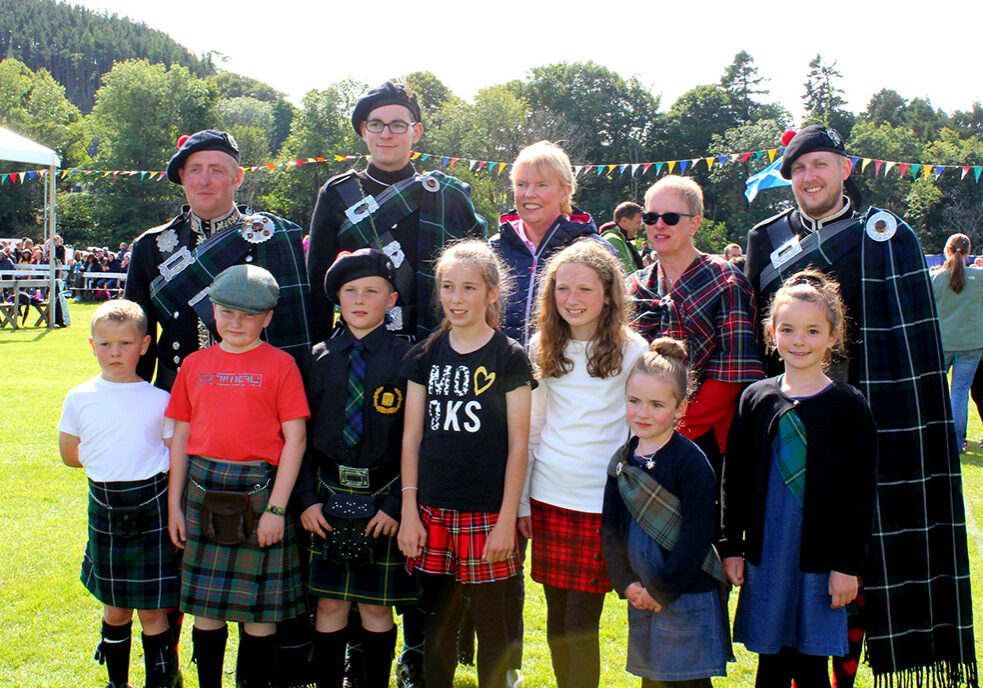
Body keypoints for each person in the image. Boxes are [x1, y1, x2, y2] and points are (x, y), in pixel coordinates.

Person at [744, 125, 977, 687]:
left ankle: (845, 675)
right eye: (798, 169)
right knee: (790, 564)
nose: (810, 177)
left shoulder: (884, 235)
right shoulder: (765, 236)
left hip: (867, 426)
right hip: (789, 429)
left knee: (857, 569)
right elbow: (759, 340)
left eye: (820, 165)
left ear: (845, 168)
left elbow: (914, 341)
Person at [721, 270, 877, 688]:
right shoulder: (755, 399)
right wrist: (732, 547)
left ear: (832, 336)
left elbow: (860, 496)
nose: (799, 341)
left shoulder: (848, 406)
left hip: (821, 562)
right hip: (768, 556)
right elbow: (732, 482)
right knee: (770, 663)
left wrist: (847, 566)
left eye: (812, 331)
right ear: (772, 333)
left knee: (810, 665)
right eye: (788, 330)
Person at [397, 239, 534, 688]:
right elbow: (412, 436)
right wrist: (409, 513)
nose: (456, 299)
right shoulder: (424, 354)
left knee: (492, 623)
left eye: (469, 288)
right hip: (431, 510)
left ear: (492, 293)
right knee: (436, 623)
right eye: (448, 287)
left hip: (487, 514)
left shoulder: (510, 356)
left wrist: (506, 521)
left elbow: (518, 445)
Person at [165, 265, 310, 688]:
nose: (237, 323)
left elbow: (295, 441)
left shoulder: (281, 365)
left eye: (250, 315)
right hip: (200, 491)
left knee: (259, 617)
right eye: (228, 312)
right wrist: (174, 506)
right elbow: (180, 438)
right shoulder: (194, 364)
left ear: (267, 318)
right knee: (206, 613)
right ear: (212, 311)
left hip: (260, 493)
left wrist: (277, 511)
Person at [519, 240, 647, 688]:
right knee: (556, 623)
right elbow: (531, 430)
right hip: (548, 498)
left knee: (580, 622)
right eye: (562, 289)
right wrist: (520, 503)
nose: (572, 300)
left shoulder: (633, 351)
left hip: (601, 503)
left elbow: (640, 433)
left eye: (585, 290)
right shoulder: (541, 345)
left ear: (609, 294)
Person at [295, 249, 417, 688]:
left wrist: (394, 505)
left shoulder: (409, 359)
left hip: (382, 498)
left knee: (376, 608)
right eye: (350, 291)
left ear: (392, 299)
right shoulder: (315, 358)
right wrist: (306, 499)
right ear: (337, 300)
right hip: (326, 497)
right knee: (327, 604)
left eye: (372, 291)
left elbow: (415, 441)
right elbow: (299, 438)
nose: (360, 300)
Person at [125, 129, 311, 392]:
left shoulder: (273, 235)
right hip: (176, 395)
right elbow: (135, 336)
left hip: (255, 396)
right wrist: (134, 398)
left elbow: (297, 328)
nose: (204, 181)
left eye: (216, 170)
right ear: (182, 177)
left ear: (237, 178)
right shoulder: (150, 246)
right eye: (195, 170)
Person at [57, 300, 182, 688]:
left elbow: (176, 459)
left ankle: (161, 681)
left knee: (153, 611)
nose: (115, 353)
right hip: (107, 509)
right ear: (92, 345)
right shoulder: (79, 397)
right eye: (106, 344)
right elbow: (69, 455)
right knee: (115, 609)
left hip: (154, 509)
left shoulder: (160, 399)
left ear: (145, 345)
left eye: (125, 344)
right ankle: (118, 682)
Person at [307, 81, 486, 344]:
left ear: (416, 132)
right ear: (363, 130)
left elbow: (478, 279)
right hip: (358, 348)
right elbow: (317, 286)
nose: (386, 134)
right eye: (376, 124)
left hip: (436, 345)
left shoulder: (448, 195)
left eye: (398, 125)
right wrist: (318, 359)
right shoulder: (337, 194)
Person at [602, 337, 729, 688]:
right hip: (641, 594)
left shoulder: (690, 462)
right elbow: (610, 529)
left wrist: (662, 589)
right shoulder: (622, 460)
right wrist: (625, 582)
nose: (643, 413)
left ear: (680, 407)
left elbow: (697, 535)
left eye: (657, 404)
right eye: (634, 402)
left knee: (689, 682)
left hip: (686, 592)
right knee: (651, 681)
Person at [627, 175, 763, 481]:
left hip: (701, 439)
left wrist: (671, 426)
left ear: (694, 224)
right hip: (637, 434)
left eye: (671, 218)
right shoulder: (633, 285)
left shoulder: (726, 281)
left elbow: (731, 375)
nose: (659, 225)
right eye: (651, 217)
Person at [491, 140, 614, 347]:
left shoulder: (595, 251)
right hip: (502, 373)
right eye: (521, 185)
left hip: (567, 372)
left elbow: (613, 320)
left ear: (565, 191)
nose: (529, 194)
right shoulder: (494, 248)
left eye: (542, 185)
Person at [931, 233, 983, 451]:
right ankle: (957, 441)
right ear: (969, 252)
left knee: (935, 391)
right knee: (959, 393)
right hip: (971, 344)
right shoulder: (978, 277)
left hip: (942, 342)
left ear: (947, 250)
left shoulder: (935, 278)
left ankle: (934, 435)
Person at [599, 201, 645, 276]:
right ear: (624, 221)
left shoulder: (624, 241)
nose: (640, 227)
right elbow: (627, 275)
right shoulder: (612, 240)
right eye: (638, 223)